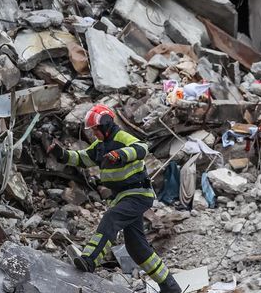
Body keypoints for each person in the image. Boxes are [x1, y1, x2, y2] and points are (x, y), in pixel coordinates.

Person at [48, 104, 182, 293]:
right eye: (92, 130)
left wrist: (120, 155)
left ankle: (89, 260)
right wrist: (61, 154)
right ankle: (171, 288)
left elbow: (142, 147)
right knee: (137, 247)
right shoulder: (101, 145)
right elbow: (83, 158)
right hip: (122, 197)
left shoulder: (120, 137)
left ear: (106, 125)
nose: (94, 133)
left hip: (137, 194)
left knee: (112, 218)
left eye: (96, 129)